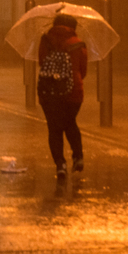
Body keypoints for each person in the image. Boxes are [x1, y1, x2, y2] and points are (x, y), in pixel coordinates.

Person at [37, 13, 88, 180]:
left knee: (54, 128)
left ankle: (60, 165)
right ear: (72, 27)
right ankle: (78, 157)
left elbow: (42, 63)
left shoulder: (46, 41)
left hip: (49, 91)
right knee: (70, 122)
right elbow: (83, 71)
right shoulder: (78, 43)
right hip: (73, 92)